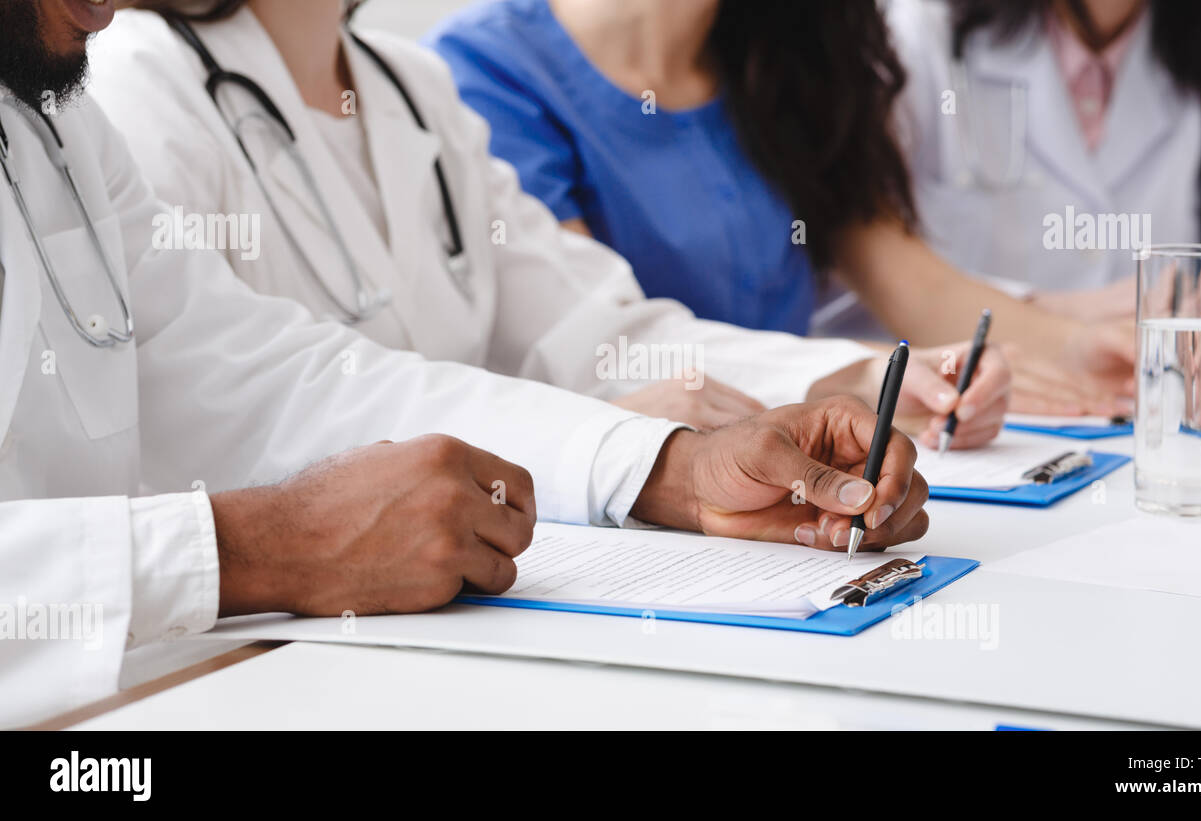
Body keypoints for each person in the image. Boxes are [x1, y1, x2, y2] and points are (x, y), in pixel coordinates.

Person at [0, 0, 929, 726]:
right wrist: (252, 548)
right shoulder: (132, 81)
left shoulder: (56, 119)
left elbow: (274, 373)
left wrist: (671, 468)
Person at [87, 0, 1011, 449]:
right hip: (261, 644)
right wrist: (598, 432)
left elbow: (599, 332)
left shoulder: (413, 90)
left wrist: (845, 374)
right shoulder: (139, 87)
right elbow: (211, 428)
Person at [427, 0, 1136, 416]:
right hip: (649, 509)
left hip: (823, 469)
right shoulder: (483, 75)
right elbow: (600, 349)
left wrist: (1076, 349)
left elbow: (912, 282)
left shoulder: (785, 54)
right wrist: (872, 373)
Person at [872, 0, 1201, 347]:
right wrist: (1065, 317)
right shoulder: (922, 30)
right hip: (959, 417)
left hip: (1128, 411)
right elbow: (857, 281)